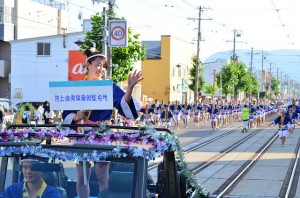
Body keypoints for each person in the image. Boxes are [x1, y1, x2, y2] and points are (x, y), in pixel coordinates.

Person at [62, 48, 143, 198]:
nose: (101, 69)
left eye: (103, 65)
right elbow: (65, 114)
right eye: (98, 64)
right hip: (82, 133)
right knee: (82, 177)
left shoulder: (109, 87)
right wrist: (76, 116)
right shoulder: (76, 86)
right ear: (88, 65)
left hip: (102, 132)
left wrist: (130, 88)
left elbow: (124, 107)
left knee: (102, 176)